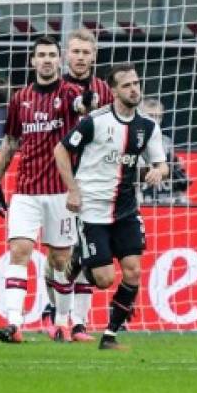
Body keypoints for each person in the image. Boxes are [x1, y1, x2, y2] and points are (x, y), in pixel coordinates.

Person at [55, 63, 167, 350]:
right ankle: (80, 258)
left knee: (133, 272)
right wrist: (73, 190)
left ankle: (110, 336)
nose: (134, 89)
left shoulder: (148, 126)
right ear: (114, 90)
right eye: (127, 85)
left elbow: (161, 164)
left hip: (127, 209)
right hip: (92, 208)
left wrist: (158, 171)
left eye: (137, 83)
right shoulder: (96, 120)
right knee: (104, 280)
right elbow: (61, 150)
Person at [0, 36, 82, 344]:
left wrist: (90, 101)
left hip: (60, 190)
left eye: (51, 55)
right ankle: (14, 324)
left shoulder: (70, 93)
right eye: (40, 55)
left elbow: (84, 106)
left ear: (59, 61)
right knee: (20, 251)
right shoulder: (20, 98)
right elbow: (11, 141)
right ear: (32, 61)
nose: (46, 60)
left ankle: (62, 322)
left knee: (60, 260)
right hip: (26, 190)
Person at [56, 27, 114, 342]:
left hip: (95, 184)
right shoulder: (56, 88)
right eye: (75, 51)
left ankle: (77, 323)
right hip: (59, 182)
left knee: (86, 254)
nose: (80, 57)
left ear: (94, 55)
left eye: (85, 52)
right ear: (67, 54)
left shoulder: (106, 90)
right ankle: (56, 317)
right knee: (60, 254)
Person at [137, 97, 190, 204]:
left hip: (162, 190)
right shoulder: (132, 138)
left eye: (158, 116)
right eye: (151, 116)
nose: (155, 120)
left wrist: (176, 169)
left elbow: (177, 175)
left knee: (184, 201)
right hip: (139, 191)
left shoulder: (166, 142)